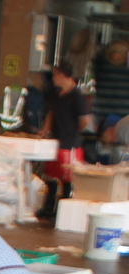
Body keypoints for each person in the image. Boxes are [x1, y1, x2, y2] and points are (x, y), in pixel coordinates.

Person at [40, 63, 92, 209]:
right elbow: (51, 113)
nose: (53, 78)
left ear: (63, 76)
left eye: (55, 75)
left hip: (69, 143)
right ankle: (49, 206)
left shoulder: (77, 96)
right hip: (54, 141)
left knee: (67, 178)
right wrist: (44, 130)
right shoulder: (57, 94)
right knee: (50, 175)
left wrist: (75, 130)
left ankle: (62, 209)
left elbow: (84, 119)